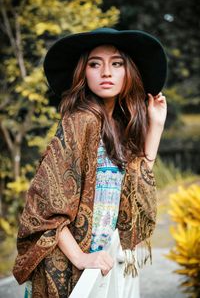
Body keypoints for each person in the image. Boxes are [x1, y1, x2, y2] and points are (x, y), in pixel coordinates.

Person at [13, 27, 167, 298]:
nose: (106, 72)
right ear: (83, 73)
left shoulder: (118, 128)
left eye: (116, 63)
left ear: (128, 72)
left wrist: (155, 128)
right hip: (66, 272)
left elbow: (133, 197)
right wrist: (81, 258)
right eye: (95, 64)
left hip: (95, 270)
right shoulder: (80, 120)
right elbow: (45, 207)